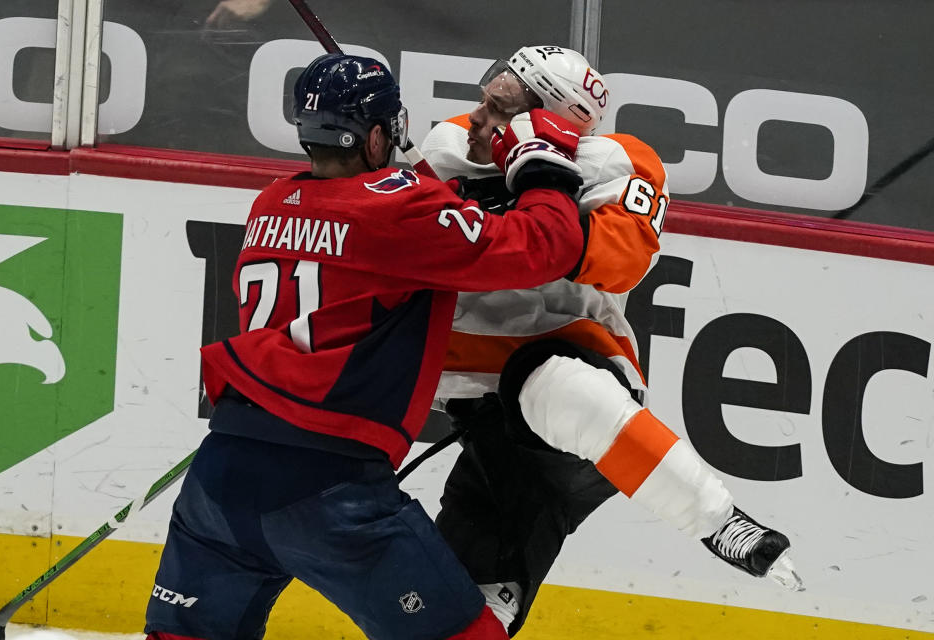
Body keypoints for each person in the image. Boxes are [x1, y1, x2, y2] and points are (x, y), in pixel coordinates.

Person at [143, 52, 590, 640]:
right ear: (378, 135)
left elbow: (376, 224)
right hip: (328, 490)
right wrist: (545, 164)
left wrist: (439, 194)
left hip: (221, 476)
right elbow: (544, 246)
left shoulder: (272, 200)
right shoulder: (403, 212)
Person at [419, 45, 801, 635]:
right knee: (456, 612)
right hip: (476, 410)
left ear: (542, 117)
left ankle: (718, 519)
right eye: (482, 101)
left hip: (578, 393)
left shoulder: (618, 161)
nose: (474, 117)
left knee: (550, 384)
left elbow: (620, 262)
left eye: (496, 109)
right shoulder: (448, 147)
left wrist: (538, 184)